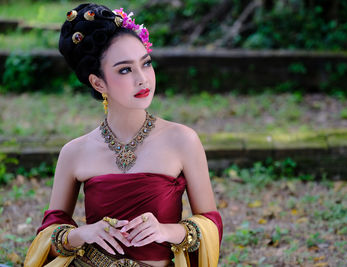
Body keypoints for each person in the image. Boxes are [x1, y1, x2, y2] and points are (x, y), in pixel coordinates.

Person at [24, 3, 222, 267]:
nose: (143, 79)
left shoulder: (182, 141)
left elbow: (210, 223)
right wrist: (82, 233)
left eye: (146, 64)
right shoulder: (74, 152)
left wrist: (168, 231)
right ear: (98, 82)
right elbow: (49, 234)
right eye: (125, 70)